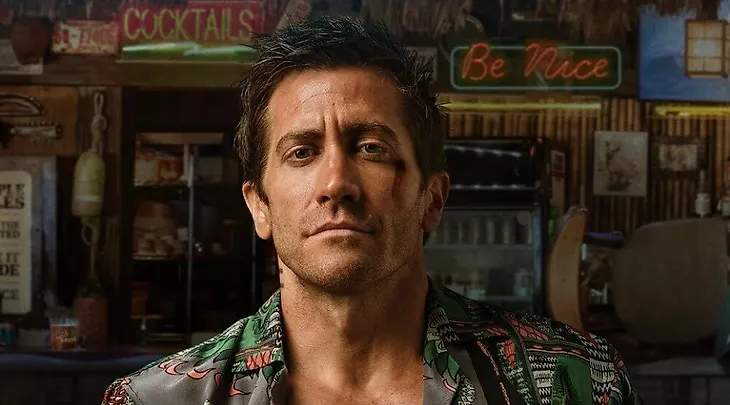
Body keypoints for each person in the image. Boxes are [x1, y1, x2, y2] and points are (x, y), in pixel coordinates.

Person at [102, 15, 639, 405]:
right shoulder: (159, 399)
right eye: (301, 152)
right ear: (258, 206)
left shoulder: (575, 385)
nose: (336, 183)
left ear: (432, 199)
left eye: (371, 148)